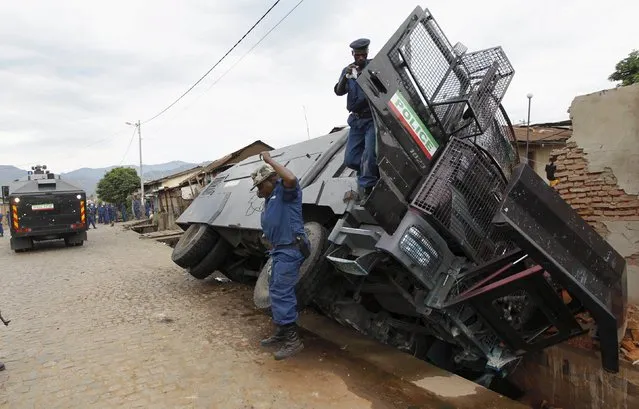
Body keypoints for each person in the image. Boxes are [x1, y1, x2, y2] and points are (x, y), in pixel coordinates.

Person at [251, 151, 309, 360]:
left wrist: (269, 160)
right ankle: (282, 331)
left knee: (282, 292)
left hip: (291, 248)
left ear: (272, 179)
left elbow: (291, 178)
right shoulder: (269, 199)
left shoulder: (286, 191)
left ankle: (293, 341)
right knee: (276, 290)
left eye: (260, 185)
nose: (258, 190)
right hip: (278, 250)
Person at [334, 38, 379, 199]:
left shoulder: (374, 66)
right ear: (353, 54)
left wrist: (368, 76)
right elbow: (339, 91)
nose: (360, 58)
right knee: (351, 159)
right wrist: (345, 77)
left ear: (367, 53)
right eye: (357, 55)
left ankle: (368, 187)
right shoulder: (348, 70)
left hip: (371, 119)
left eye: (363, 55)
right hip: (356, 121)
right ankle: (371, 171)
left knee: (369, 153)